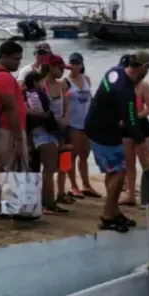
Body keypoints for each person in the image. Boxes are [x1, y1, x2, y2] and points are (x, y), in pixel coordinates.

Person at [85, 51, 149, 233]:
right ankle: (108, 215)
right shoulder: (125, 91)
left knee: (116, 170)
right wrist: (147, 153)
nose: (147, 73)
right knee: (118, 172)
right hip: (103, 132)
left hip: (99, 125)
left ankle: (114, 210)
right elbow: (133, 122)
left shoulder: (114, 71)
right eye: (147, 69)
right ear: (142, 68)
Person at [0, 40, 26, 215]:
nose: (19, 62)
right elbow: (11, 108)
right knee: (14, 169)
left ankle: (2, 206)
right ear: (4, 56)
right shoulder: (3, 77)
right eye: (16, 59)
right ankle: (13, 208)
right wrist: (18, 137)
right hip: (8, 129)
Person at [23, 67, 68, 214]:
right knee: (49, 171)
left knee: (38, 170)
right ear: (36, 82)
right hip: (46, 134)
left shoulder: (26, 94)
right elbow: (47, 113)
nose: (43, 83)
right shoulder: (40, 94)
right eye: (40, 81)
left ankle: (40, 202)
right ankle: (48, 203)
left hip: (34, 135)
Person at [64, 52, 100, 199]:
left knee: (84, 155)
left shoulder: (86, 80)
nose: (74, 66)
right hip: (73, 123)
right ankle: (73, 185)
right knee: (71, 155)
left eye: (77, 63)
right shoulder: (65, 82)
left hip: (86, 123)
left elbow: (90, 100)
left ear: (81, 64)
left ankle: (86, 184)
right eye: (72, 62)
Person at [121, 62, 149, 207]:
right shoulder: (123, 85)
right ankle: (130, 196)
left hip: (141, 126)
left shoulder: (144, 86)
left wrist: (135, 116)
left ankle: (147, 197)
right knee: (129, 162)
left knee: (145, 162)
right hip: (125, 127)